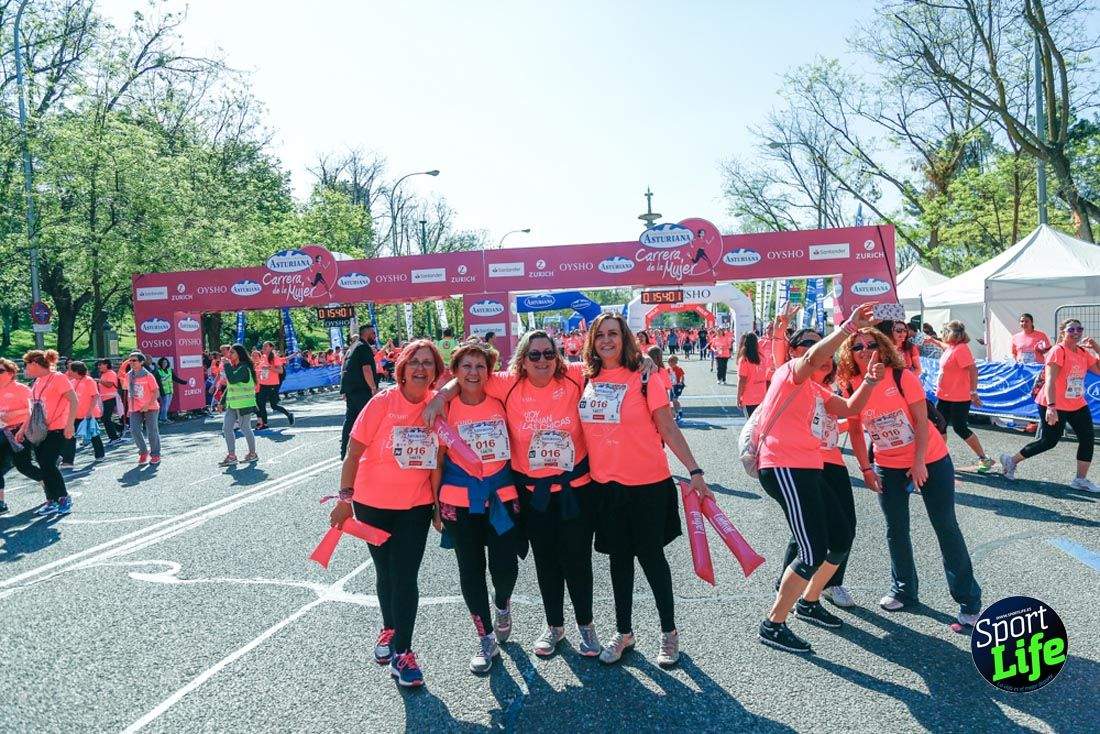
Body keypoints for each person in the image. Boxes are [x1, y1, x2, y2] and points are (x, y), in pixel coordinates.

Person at [425, 330, 602, 659]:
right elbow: (464, 377)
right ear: (522, 360)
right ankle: (551, 626)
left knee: (576, 562)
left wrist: (646, 359)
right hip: (530, 494)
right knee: (544, 563)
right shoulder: (507, 383)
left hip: (574, 489)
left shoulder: (574, 375)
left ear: (557, 356)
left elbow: (610, 364)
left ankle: (586, 626)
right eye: (534, 355)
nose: (542, 361)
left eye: (548, 354)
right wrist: (440, 396)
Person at [579, 313, 713, 668]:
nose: (607, 340)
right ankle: (624, 632)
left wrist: (695, 470)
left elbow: (667, 428)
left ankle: (668, 632)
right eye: (600, 335)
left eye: (614, 334)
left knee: (652, 560)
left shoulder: (645, 375)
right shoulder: (586, 378)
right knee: (618, 562)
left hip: (648, 485)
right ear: (592, 341)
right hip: (606, 487)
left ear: (625, 338)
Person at [752, 305, 883, 654]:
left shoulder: (816, 392)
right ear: (797, 350)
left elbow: (851, 409)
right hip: (783, 466)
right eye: (812, 344)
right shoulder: (789, 374)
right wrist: (846, 328)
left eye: (826, 349)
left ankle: (809, 601)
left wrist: (869, 382)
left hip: (809, 468)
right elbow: (812, 356)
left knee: (840, 537)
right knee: (811, 550)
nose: (822, 353)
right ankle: (773, 624)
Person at [839, 326, 984, 631]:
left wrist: (919, 463)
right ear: (849, 354)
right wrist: (866, 468)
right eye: (857, 347)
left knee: (945, 526)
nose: (864, 350)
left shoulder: (901, 377)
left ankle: (968, 601)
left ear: (883, 346)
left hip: (930, 458)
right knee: (895, 528)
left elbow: (920, 420)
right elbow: (854, 429)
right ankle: (904, 590)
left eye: (870, 344)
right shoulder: (851, 384)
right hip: (886, 464)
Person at [327, 339, 444, 688]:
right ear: (402, 369)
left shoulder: (437, 405)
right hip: (372, 503)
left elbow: (438, 460)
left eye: (428, 363)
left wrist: (438, 506)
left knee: (405, 576)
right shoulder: (382, 402)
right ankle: (389, 629)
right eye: (414, 362)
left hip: (415, 505)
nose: (421, 368)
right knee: (386, 573)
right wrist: (344, 499)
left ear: (435, 371)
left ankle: (404, 653)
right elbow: (353, 451)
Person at [430, 342, 522, 674]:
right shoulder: (445, 408)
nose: (473, 373)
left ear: (489, 371)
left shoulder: (501, 400)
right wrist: (433, 505)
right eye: (466, 366)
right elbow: (436, 460)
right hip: (458, 500)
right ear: (454, 372)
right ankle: (485, 638)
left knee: (505, 566)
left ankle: (502, 604)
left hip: (502, 495)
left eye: (480, 366)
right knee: (470, 569)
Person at [1000, 319, 1100, 492]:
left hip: (1076, 403)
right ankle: (1011, 461)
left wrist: (1097, 348)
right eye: (1071, 329)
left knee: (1087, 438)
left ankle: (1080, 479)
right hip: (1053, 403)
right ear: (1062, 332)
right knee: (1049, 441)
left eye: (1079, 329)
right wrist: (1051, 407)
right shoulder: (1057, 351)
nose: (1076, 332)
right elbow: (1050, 380)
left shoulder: (1083, 352)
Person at [19, 350, 77, 516]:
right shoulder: (37, 381)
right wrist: (23, 429)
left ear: (35, 364)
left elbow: (73, 400)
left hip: (57, 428)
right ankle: (51, 500)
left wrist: (70, 424)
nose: (26, 368)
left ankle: (64, 497)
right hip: (40, 430)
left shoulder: (58, 378)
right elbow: (32, 409)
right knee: (44, 465)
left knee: (48, 463)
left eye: (27, 364)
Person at [935, 321, 995, 472]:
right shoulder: (952, 347)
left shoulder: (961, 349)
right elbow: (944, 346)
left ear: (950, 333)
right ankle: (939, 459)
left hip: (958, 397)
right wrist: (931, 340)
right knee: (939, 426)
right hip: (944, 396)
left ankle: (983, 458)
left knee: (960, 428)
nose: (942, 334)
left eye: (943, 331)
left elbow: (973, 370)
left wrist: (973, 392)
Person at [0, 358, 42, 516]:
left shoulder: (21, 389)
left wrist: (20, 426)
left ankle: (48, 484)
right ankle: (1, 503)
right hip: (1, 432)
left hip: (19, 431)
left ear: (11, 373)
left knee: (23, 465)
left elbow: (33, 411)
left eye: (1, 371)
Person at [339, 324, 379, 459]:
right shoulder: (363, 347)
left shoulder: (353, 347)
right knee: (369, 420)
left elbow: (344, 367)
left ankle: (344, 451)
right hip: (362, 389)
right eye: (373, 333)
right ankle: (370, 451)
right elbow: (366, 369)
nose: (374, 336)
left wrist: (344, 389)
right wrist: (373, 388)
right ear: (366, 333)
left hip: (351, 389)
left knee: (350, 421)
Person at [219, 344, 259, 466]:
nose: (229, 355)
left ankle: (252, 454)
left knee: (244, 428)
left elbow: (232, 380)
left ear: (239, 354)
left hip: (244, 404)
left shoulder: (244, 368)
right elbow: (230, 387)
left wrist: (226, 365)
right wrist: (221, 402)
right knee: (226, 428)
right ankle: (232, 456)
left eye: (232, 353)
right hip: (233, 403)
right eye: (229, 352)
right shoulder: (234, 367)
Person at [62, 361, 105, 466]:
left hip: (87, 414)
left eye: (70, 369)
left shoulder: (89, 381)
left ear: (76, 371)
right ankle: (68, 460)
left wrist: (90, 412)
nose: (68, 371)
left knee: (94, 435)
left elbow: (95, 396)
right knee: (69, 435)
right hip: (75, 414)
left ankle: (100, 455)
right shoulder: (72, 381)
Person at [124, 352, 162, 465]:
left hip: (150, 407)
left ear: (141, 362)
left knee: (152, 431)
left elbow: (156, 393)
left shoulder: (148, 375)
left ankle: (155, 454)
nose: (131, 362)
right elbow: (128, 392)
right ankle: (143, 451)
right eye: (130, 360)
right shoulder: (128, 375)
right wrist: (128, 408)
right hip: (134, 408)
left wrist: (147, 405)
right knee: (134, 430)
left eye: (134, 360)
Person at [256, 342, 294, 430]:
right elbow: (261, 369)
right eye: (263, 346)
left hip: (273, 385)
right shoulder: (263, 357)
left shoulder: (274, 358)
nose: (264, 347)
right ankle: (264, 424)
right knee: (261, 405)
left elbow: (280, 371)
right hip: (263, 384)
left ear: (271, 348)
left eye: (266, 346)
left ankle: (289, 414)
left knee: (274, 406)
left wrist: (269, 368)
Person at [736, 332, 767, 417]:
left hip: (749, 397)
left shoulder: (744, 360)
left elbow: (742, 380)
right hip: (761, 395)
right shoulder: (762, 358)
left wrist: (738, 397)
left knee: (750, 425)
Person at [95, 359, 122, 443]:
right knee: (105, 418)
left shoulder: (111, 373)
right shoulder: (104, 374)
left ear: (106, 365)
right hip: (105, 398)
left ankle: (114, 437)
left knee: (105, 418)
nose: (99, 367)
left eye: (101, 365)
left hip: (110, 398)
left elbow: (109, 384)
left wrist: (99, 381)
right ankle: (119, 428)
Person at [154, 357, 187, 423]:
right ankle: (163, 419)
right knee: (164, 405)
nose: (164, 364)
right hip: (163, 391)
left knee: (167, 405)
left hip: (170, 391)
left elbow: (175, 378)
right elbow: (157, 383)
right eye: (163, 363)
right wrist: (161, 391)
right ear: (160, 363)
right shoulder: (158, 372)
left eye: (165, 362)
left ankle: (162, 418)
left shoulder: (170, 370)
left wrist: (184, 382)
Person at [668, 355, 685, 423]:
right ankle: (677, 413)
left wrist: (681, 382)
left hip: (677, 387)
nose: (670, 363)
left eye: (672, 362)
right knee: (672, 401)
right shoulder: (668, 369)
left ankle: (679, 413)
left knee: (674, 400)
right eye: (669, 362)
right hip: (671, 387)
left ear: (676, 362)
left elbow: (682, 376)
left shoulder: (679, 369)